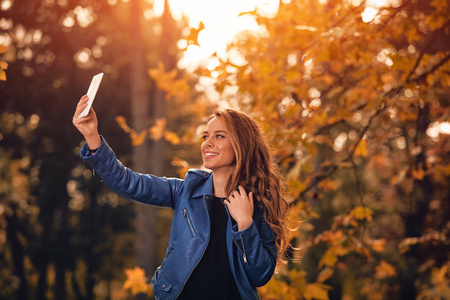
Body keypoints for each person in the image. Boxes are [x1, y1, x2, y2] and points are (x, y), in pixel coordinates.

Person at [73, 95, 289, 300]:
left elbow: (260, 276)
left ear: (242, 144)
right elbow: (128, 183)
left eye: (219, 136)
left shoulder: (258, 203)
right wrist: (92, 136)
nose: (207, 143)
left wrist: (245, 224)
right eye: (206, 136)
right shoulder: (186, 191)